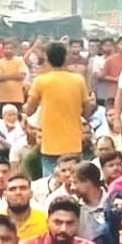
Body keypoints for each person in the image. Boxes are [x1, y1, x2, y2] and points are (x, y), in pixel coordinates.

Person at [25, 41, 88, 178]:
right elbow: (86, 109)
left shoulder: (40, 81)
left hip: (50, 143)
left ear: (47, 58)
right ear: (66, 57)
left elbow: (29, 110)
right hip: (73, 142)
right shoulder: (78, 80)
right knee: (75, 180)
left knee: (50, 182)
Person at [2, 173, 46, 241]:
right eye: (12, 189)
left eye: (23, 188)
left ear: (31, 194)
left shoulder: (46, 221)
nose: (18, 192)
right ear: (5, 195)